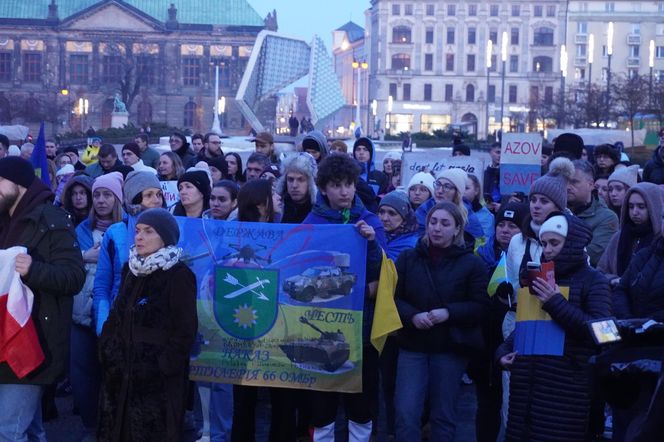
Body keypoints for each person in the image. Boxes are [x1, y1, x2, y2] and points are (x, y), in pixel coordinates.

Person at [498, 212, 611, 441]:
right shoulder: (538, 279)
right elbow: (525, 327)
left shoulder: (594, 281)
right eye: (544, 243)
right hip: (525, 396)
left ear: (572, 243)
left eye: (554, 243)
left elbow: (606, 334)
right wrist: (501, 353)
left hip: (565, 395)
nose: (547, 249)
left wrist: (555, 303)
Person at [0, 157, 85, 440]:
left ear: (20, 184)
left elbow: (74, 277)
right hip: (5, 340)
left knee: (8, 432)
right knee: (31, 429)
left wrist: (33, 270)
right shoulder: (4, 221)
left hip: (33, 342)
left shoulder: (53, 220)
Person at [303, 153, 385, 442]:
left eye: (349, 184)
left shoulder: (371, 221)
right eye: (337, 185)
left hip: (361, 329)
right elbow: (301, 266)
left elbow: (384, 273)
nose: (345, 191)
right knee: (322, 405)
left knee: (360, 405)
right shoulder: (312, 222)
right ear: (324, 188)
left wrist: (371, 244)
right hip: (321, 325)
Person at [97, 208, 197, 441]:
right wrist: (107, 351)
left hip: (156, 383)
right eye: (138, 231)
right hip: (119, 375)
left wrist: (162, 365)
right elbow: (116, 315)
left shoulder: (178, 274)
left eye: (148, 232)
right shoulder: (130, 269)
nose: (139, 236)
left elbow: (185, 330)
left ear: (165, 237)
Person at [393, 201, 488, 442]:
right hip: (412, 346)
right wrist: (412, 316)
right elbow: (393, 299)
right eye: (433, 222)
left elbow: (480, 306)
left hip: (449, 348)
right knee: (405, 413)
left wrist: (449, 312)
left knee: (443, 416)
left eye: (445, 223)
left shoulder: (472, 264)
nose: (437, 228)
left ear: (457, 229)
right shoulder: (407, 258)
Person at [231, 178, 294, 442]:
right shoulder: (230, 234)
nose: (280, 198)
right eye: (274, 195)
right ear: (260, 204)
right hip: (244, 326)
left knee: (283, 400)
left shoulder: (286, 231)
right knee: (244, 400)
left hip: (280, 326)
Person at [71, 171, 125, 439]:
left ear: (118, 199)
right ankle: (90, 426)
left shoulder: (127, 229)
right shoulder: (80, 230)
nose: (101, 200)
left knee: (114, 374)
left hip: (114, 316)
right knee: (83, 375)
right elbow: (69, 263)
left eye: (107, 195)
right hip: (81, 314)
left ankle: (114, 426)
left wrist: (96, 257)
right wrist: (83, 256)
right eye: (97, 195)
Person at [472, 202, 528, 442]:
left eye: (512, 226)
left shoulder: (530, 257)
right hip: (485, 344)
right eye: (501, 225)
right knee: (487, 403)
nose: (505, 230)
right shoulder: (479, 258)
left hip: (514, 337)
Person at [93, 171, 166, 336]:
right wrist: (103, 326)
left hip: (157, 324)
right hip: (120, 320)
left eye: (159, 194)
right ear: (135, 199)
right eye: (149, 195)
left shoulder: (170, 230)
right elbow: (102, 285)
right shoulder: (116, 233)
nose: (157, 200)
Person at [598, 182, 664, 285]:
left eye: (641, 207)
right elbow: (600, 271)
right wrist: (613, 280)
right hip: (616, 295)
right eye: (631, 206)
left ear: (654, 208)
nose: (634, 212)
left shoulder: (660, 239)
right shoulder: (619, 237)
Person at [567, 159, 619, 266]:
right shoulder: (557, 209)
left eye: (574, 182)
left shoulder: (607, 217)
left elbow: (594, 256)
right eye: (566, 181)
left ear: (591, 185)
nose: (568, 187)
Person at [415, 168, 484, 242]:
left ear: (457, 192)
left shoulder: (467, 213)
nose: (440, 190)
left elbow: (478, 241)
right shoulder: (424, 209)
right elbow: (417, 238)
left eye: (447, 187)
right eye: (438, 184)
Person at [276, 152, 317, 223]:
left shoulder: (319, 210)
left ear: (310, 183)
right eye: (290, 179)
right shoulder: (277, 207)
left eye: (301, 180)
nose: (294, 185)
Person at [378, 190, 419, 261]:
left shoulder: (411, 245)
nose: (385, 218)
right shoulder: (375, 235)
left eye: (392, 213)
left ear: (404, 218)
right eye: (381, 212)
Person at [465, 173, 495, 238]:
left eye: (466, 188)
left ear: (476, 190)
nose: (461, 191)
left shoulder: (486, 216)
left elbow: (483, 245)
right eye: (458, 188)